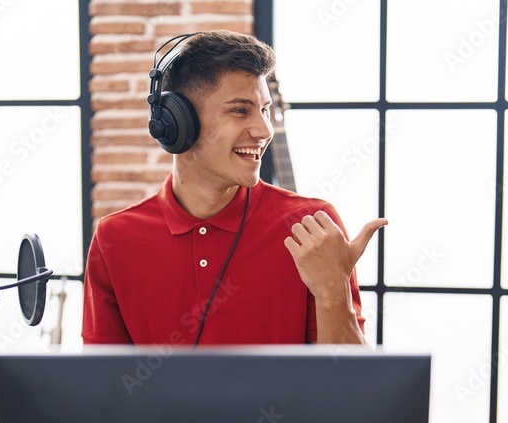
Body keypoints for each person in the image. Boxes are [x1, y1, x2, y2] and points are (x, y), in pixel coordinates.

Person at [82, 30, 386, 347]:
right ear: (177, 122)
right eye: (240, 110)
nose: (264, 130)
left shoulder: (312, 227)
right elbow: (102, 387)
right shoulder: (115, 238)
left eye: (265, 110)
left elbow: (349, 387)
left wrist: (332, 293)